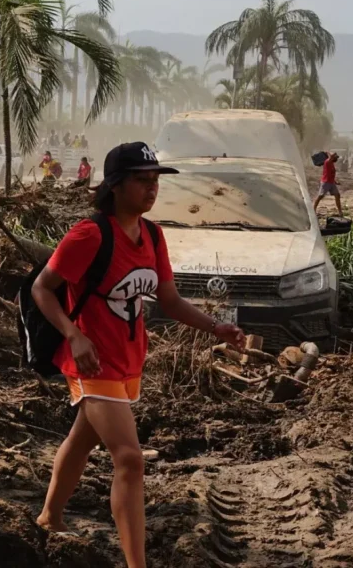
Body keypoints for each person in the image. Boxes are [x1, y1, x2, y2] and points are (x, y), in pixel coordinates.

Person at [33, 142, 245, 567]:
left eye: (155, 181)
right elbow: (42, 288)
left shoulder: (151, 235)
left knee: (82, 437)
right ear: (115, 185)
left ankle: (49, 516)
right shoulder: (89, 235)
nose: (152, 189)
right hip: (91, 362)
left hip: (129, 359)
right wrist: (74, 335)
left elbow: (168, 300)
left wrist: (214, 326)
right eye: (141, 180)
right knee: (129, 459)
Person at [313, 151, 343, 218]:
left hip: (331, 182)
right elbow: (331, 155)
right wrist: (328, 152)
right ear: (332, 157)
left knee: (337, 195)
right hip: (325, 182)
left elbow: (330, 174)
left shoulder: (332, 163)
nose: (337, 159)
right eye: (336, 157)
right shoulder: (327, 162)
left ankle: (340, 212)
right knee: (320, 196)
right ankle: (313, 210)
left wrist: (335, 182)